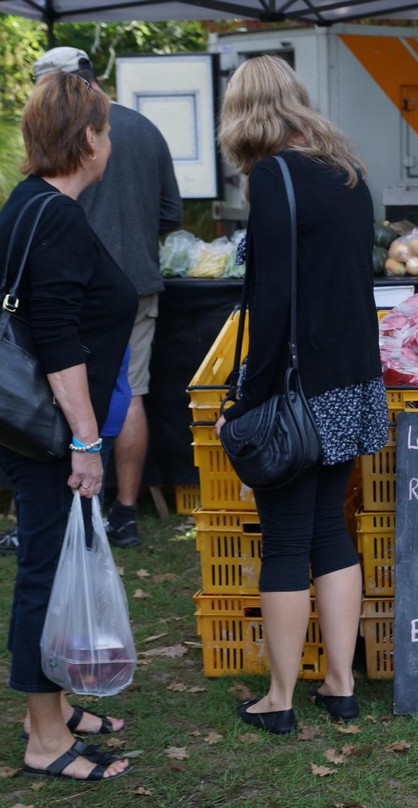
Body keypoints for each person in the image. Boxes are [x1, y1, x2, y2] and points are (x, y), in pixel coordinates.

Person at [215, 55, 388, 734]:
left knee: (286, 540)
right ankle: (340, 686)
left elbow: (272, 306)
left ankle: (279, 698)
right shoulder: (345, 171)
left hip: (296, 388)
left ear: (243, 115)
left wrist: (246, 400)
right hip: (352, 378)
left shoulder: (273, 177)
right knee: (329, 531)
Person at [0, 71, 135, 781]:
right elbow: (57, 340)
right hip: (50, 434)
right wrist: (85, 439)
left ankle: (49, 710)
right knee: (45, 575)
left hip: (29, 428)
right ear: (87, 138)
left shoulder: (28, 201)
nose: (109, 142)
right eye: (105, 130)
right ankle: (45, 741)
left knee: (46, 566)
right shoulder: (55, 217)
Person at [32, 46, 183, 550]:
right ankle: (125, 513)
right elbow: (171, 212)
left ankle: (73, 509)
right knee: (130, 391)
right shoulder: (143, 127)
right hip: (134, 281)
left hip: (74, 284)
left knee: (63, 387)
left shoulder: (59, 133)